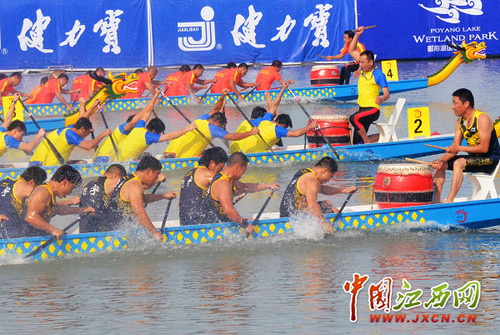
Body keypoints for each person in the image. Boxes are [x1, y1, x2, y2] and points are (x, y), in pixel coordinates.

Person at [432, 88, 500, 203]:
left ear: (466, 104)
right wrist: (441, 160)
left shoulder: (482, 118)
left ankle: (450, 201)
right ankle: (436, 201)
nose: (452, 107)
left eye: (455, 103)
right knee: (440, 165)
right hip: (474, 159)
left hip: (490, 159)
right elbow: (455, 146)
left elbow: (484, 148)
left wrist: (459, 148)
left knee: (459, 163)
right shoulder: (460, 122)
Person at [163, 89, 259, 158]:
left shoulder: (201, 119)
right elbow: (232, 137)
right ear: (217, 123)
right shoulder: (212, 129)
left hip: (178, 152)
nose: (221, 129)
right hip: (188, 157)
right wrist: (251, 133)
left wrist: (222, 97)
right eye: (222, 127)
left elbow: (215, 109)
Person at [202, 152, 279, 235]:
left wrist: (268, 185)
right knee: (250, 223)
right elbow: (229, 211)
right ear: (238, 166)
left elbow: (246, 187)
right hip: (213, 227)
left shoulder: (226, 178)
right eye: (244, 171)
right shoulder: (223, 183)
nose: (243, 174)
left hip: (220, 221)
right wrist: (246, 225)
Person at [230, 84, 317, 153]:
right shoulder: (278, 130)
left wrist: (282, 89)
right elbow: (296, 134)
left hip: (234, 151)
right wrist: (311, 126)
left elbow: (274, 106)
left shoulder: (263, 121)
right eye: (285, 127)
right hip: (248, 154)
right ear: (283, 125)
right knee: (278, 150)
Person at [279, 157, 356, 234]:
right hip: (292, 217)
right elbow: (312, 205)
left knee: (327, 203)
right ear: (325, 171)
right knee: (335, 210)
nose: (329, 180)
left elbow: (322, 189)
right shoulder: (312, 180)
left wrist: (344, 190)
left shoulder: (304, 172)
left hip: (286, 212)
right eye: (331, 176)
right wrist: (324, 223)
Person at [107, 156, 175, 240]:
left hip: (112, 226)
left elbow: (142, 199)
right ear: (149, 171)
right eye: (156, 175)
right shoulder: (134, 185)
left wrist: (163, 196)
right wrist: (155, 232)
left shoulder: (128, 178)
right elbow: (139, 211)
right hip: (116, 233)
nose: (156, 178)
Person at [22, 165, 94, 238]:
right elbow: (30, 217)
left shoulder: (50, 193)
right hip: (26, 237)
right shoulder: (43, 192)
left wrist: (82, 210)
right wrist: (53, 230)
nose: (70, 192)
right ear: (65, 182)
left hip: (38, 234)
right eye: (72, 188)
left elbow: (58, 209)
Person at [348, 26, 390, 145]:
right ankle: (380, 137)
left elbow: (387, 93)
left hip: (372, 109)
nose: (360, 64)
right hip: (362, 108)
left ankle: (366, 142)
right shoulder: (362, 69)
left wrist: (382, 98)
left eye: (362, 62)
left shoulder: (378, 74)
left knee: (353, 118)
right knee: (356, 143)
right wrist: (357, 35)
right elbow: (351, 51)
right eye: (359, 62)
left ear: (371, 62)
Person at [94, 88, 159, 162]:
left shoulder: (133, 133)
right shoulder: (125, 128)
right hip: (104, 158)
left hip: (105, 157)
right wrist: (155, 96)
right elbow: (144, 113)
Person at [29, 117, 112, 166]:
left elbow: (82, 117)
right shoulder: (71, 135)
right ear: (82, 129)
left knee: (81, 162)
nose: (84, 137)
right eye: (86, 134)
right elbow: (89, 146)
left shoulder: (70, 129)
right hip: (53, 166)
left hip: (55, 163)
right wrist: (103, 134)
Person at [179, 147, 228, 225]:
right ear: (212, 163)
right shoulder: (207, 174)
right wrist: (248, 187)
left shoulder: (191, 172)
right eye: (221, 167)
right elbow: (227, 186)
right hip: (198, 221)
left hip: (184, 221)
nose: (221, 171)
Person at [78, 164, 127, 233]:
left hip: (84, 228)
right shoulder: (112, 182)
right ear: (117, 176)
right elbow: (127, 182)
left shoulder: (89, 184)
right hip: (99, 229)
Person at [0, 167, 47, 239]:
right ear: (32, 182)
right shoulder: (22, 186)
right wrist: (68, 202)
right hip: (11, 234)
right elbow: (45, 198)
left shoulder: (3, 182)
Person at [0, 93, 45, 158]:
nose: (21, 138)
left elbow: (8, 119)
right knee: (10, 167)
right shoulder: (9, 140)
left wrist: (14, 101)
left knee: (10, 166)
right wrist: (39, 135)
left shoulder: (2, 131)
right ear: (15, 131)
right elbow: (29, 148)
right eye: (21, 135)